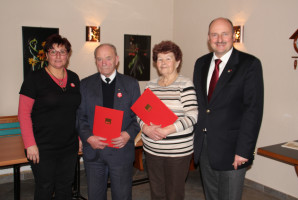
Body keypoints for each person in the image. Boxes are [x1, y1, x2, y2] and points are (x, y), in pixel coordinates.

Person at [193, 17, 264, 200]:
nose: (220, 39)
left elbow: (253, 111)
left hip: (233, 149)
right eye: (214, 34)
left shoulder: (249, 64)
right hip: (205, 146)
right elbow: (201, 105)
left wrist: (244, 150)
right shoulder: (200, 63)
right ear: (208, 38)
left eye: (225, 34)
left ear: (233, 36)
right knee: (211, 196)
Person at [18, 34, 81, 199]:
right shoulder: (34, 79)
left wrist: (80, 137)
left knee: (65, 187)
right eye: (53, 51)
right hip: (42, 147)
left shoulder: (74, 78)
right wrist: (30, 144)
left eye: (62, 51)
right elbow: (23, 114)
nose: (58, 56)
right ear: (46, 55)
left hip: (69, 146)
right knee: (45, 187)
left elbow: (77, 111)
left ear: (68, 55)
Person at [77, 43, 141, 200]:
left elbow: (138, 117)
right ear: (95, 61)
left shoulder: (131, 84)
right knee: (95, 196)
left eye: (108, 58)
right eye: (99, 59)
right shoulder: (85, 84)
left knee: (122, 196)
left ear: (117, 60)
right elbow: (80, 116)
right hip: (94, 152)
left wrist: (127, 135)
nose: (103, 63)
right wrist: (89, 137)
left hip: (121, 151)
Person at [139, 41, 198, 200]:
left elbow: (192, 115)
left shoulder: (185, 84)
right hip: (152, 150)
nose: (163, 63)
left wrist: (167, 130)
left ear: (177, 62)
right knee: (157, 193)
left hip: (177, 152)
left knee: (174, 194)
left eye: (168, 58)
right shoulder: (150, 86)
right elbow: (140, 113)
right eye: (159, 59)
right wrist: (145, 127)